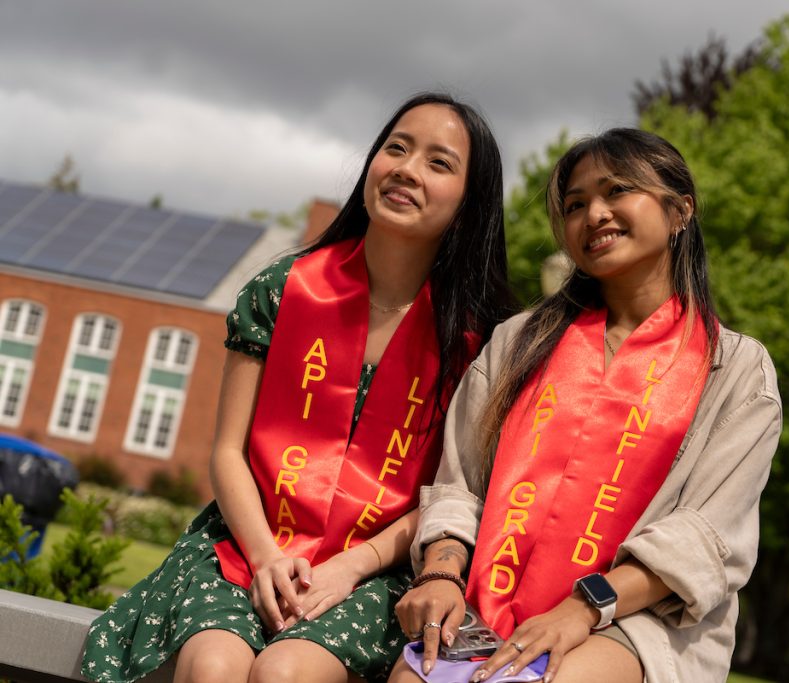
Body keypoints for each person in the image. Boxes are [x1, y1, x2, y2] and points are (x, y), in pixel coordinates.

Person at [80, 92, 516, 683]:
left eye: (439, 163)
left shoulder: (479, 343)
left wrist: (349, 568)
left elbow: (450, 494)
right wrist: (264, 557)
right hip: (246, 544)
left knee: (287, 673)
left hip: (375, 569)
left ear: (470, 204)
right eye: (396, 148)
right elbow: (228, 451)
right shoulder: (285, 290)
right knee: (212, 666)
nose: (407, 169)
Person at [391, 128, 782, 683]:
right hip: (485, 599)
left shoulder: (737, 371)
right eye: (575, 205)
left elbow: (704, 537)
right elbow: (460, 486)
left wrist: (581, 609)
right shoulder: (518, 343)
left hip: (639, 619)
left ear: (680, 211)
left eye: (617, 190)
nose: (595, 214)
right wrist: (442, 574)